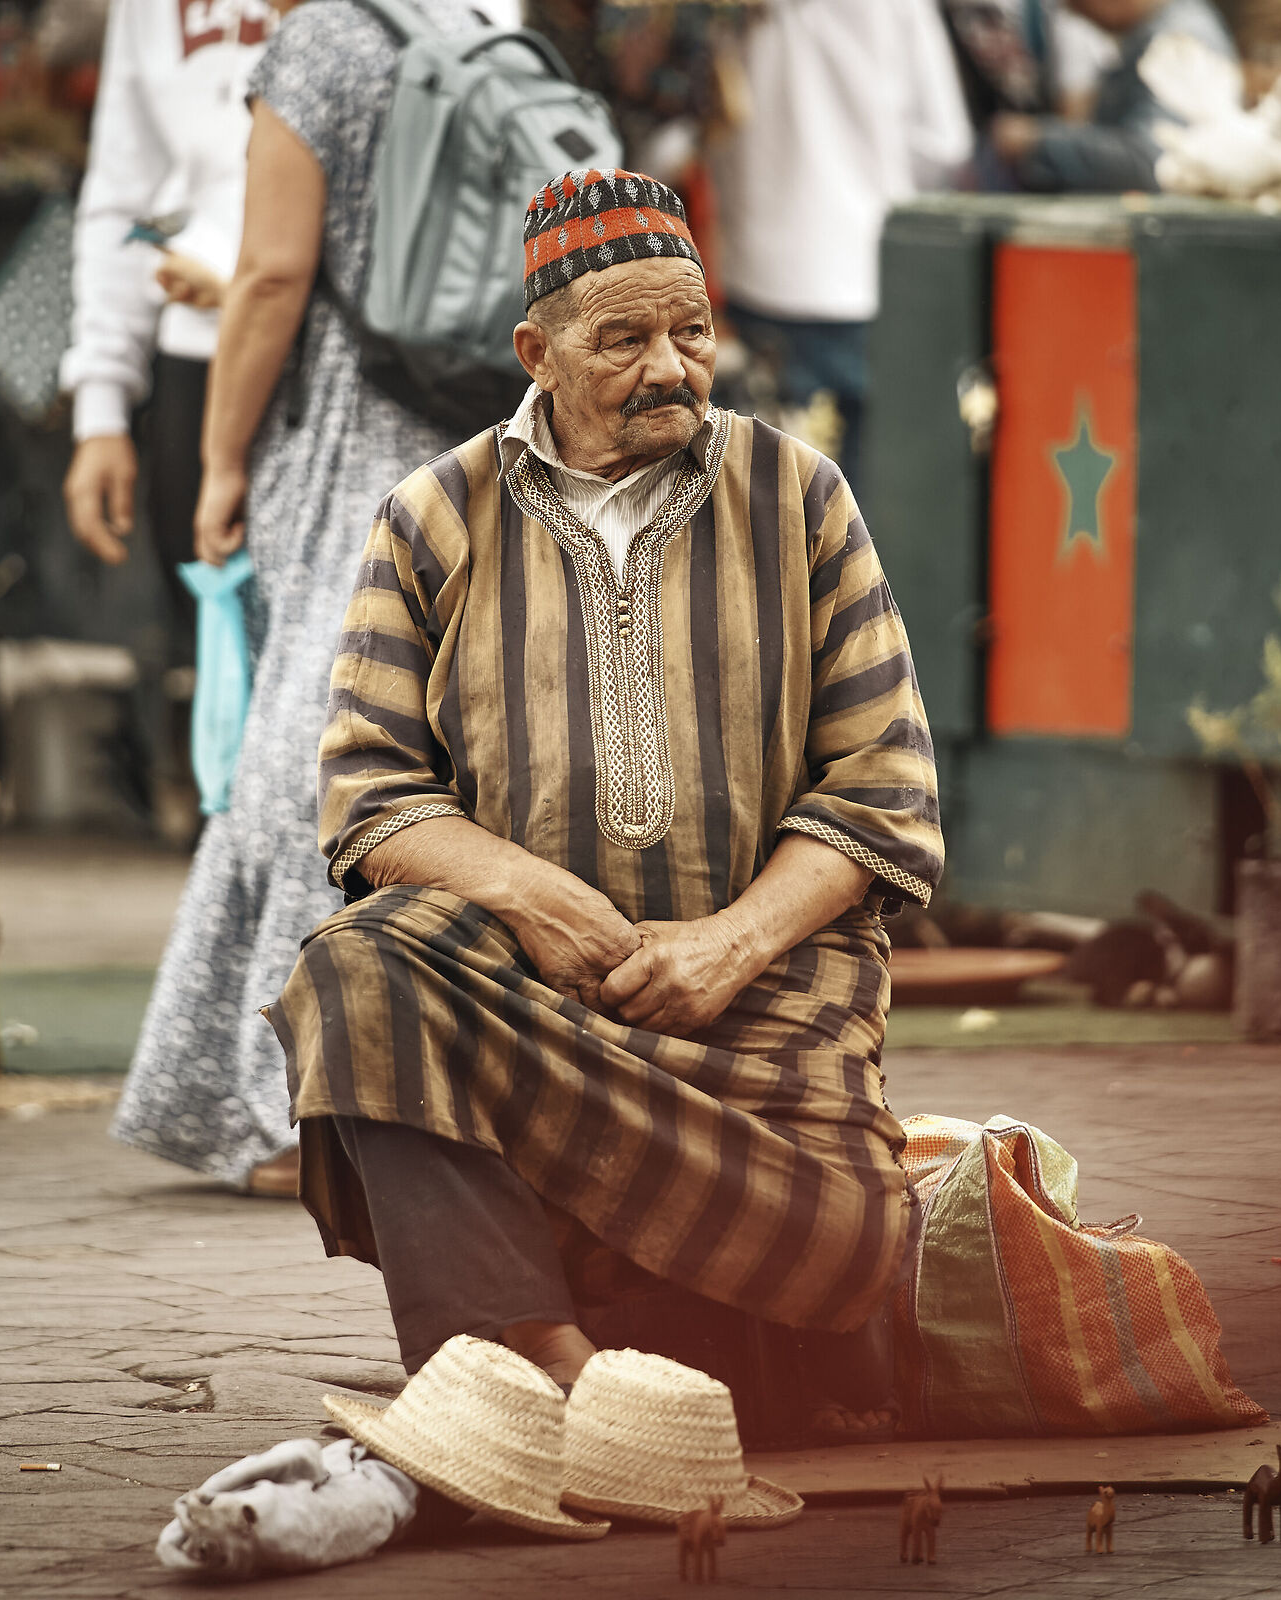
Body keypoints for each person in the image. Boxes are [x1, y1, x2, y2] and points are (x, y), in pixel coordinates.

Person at [266, 171, 945, 1429]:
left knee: (849, 1235)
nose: (672, 368)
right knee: (356, 972)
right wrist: (527, 896)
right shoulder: (431, 517)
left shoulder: (800, 496)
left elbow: (885, 786)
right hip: (528, 988)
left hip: (764, 1009)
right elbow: (368, 798)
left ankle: (595, 1336)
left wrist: (729, 945)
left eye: (689, 331)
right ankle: (534, 1354)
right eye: (622, 339)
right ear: (538, 354)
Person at [107, 0, 489, 1196]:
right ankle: (412, 1085)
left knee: (306, 754)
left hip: (349, 435)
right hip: (463, 417)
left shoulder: (323, 40)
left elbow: (279, 271)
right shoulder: (461, 21)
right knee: (419, 747)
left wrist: (219, 460)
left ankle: (301, 1109)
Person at [59, 0, 274, 836]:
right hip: (198, 345)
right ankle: (234, 888)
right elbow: (124, 195)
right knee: (220, 640)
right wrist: (101, 406)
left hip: (357, 358)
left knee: (372, 662)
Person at [705, 0, 970, 486]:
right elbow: (944, 142)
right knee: (856, 513)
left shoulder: (732, 11)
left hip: (759, 269)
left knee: (754, 507)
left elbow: (706, 121)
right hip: (862, 270)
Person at [988, 0, 1235, 193]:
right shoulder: (1156, 32)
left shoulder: (1179, 38)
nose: (1076, 12)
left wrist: (1038, 141)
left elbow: (1158, 165)